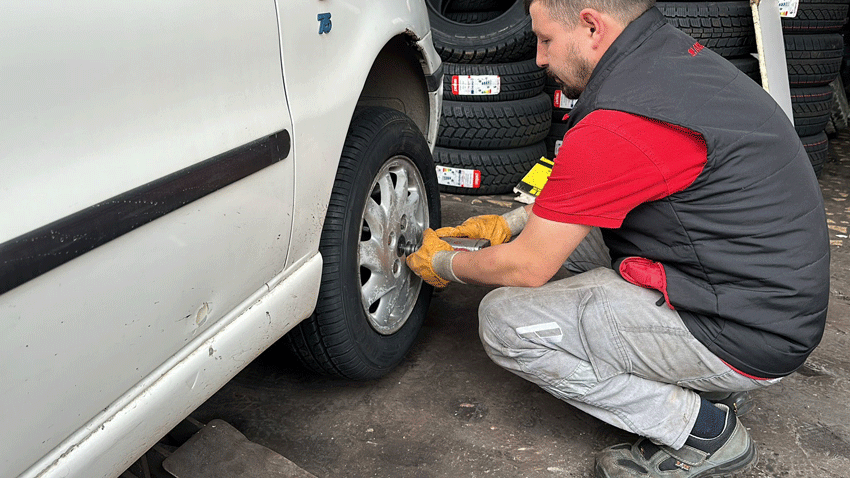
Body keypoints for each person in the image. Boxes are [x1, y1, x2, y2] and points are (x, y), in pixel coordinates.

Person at [406, 0, 831, 476]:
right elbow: (606, 188)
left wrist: (446, 265)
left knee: (506, 322)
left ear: (591, 26)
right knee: (574, 245)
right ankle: (700, 378)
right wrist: (512, 223)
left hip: (747, 333)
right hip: (759, 288)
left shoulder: (622, 121)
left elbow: (528, 268)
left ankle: (703, 430)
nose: (540, 59)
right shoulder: (664, 58)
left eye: (545, 40)